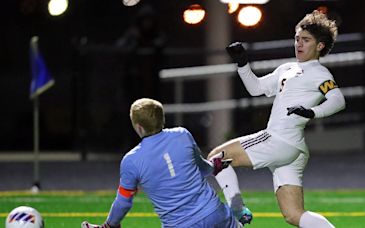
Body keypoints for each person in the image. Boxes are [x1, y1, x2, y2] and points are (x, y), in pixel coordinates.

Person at [207, 10, 345, 228]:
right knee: (294, 215)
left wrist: (312, 112)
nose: (299, 44)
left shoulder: (320, 73)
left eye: (306, 40)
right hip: (293, 149)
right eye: (297, 39)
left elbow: (338, 100)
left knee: (217, 157)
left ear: (320, 46)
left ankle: (236, 208)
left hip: (279, 140)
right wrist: (242, 64)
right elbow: (256, 88)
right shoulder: (288, 68)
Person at [81, 98, 240, 228]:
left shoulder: (131, 161)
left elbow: (123, 203)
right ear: (162, 118)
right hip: (216, 214)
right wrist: (214, 167)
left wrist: (109, 225)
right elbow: (204, 168)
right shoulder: (183, 135)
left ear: (138, 127)